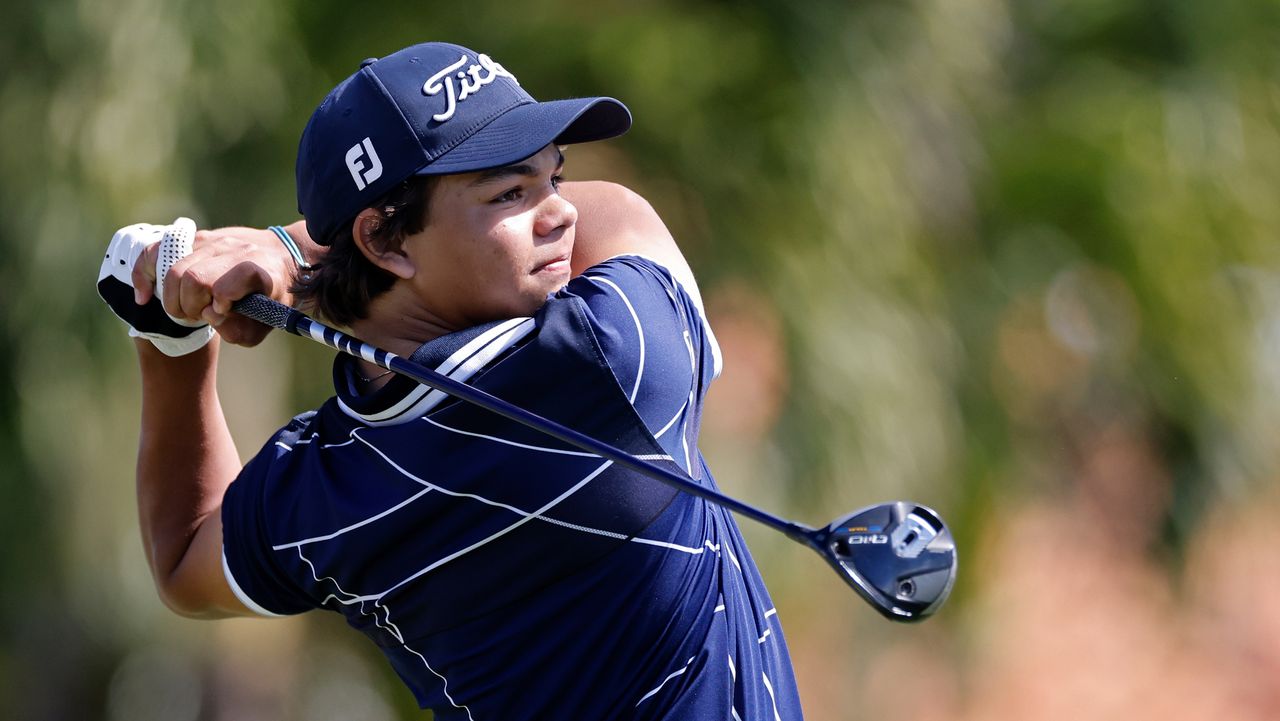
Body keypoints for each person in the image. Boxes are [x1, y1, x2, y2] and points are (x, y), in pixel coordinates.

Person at [98, 41, 803, 719]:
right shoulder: (613, 358)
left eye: (552, 177)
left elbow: (186, 553)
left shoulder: (323, 494)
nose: (560, 210)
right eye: (511, 193)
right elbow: (622, 212)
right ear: (386, 241)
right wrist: (285, 246)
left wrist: (170, 337)